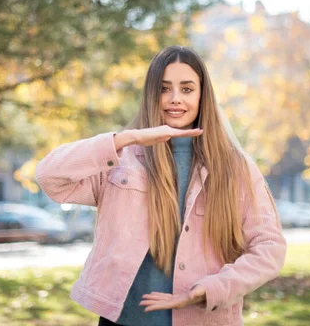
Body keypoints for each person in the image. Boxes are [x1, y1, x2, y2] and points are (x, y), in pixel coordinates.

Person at [35, 46, 286, 326]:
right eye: (164, 88)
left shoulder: (235, 167)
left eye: (187, 89)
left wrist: (209, 290)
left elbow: (269, 248)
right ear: (151, 94)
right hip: (124, 321)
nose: (175, 99)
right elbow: (49, 176)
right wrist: (126, 139)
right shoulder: (121, 159)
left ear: (203, 95)